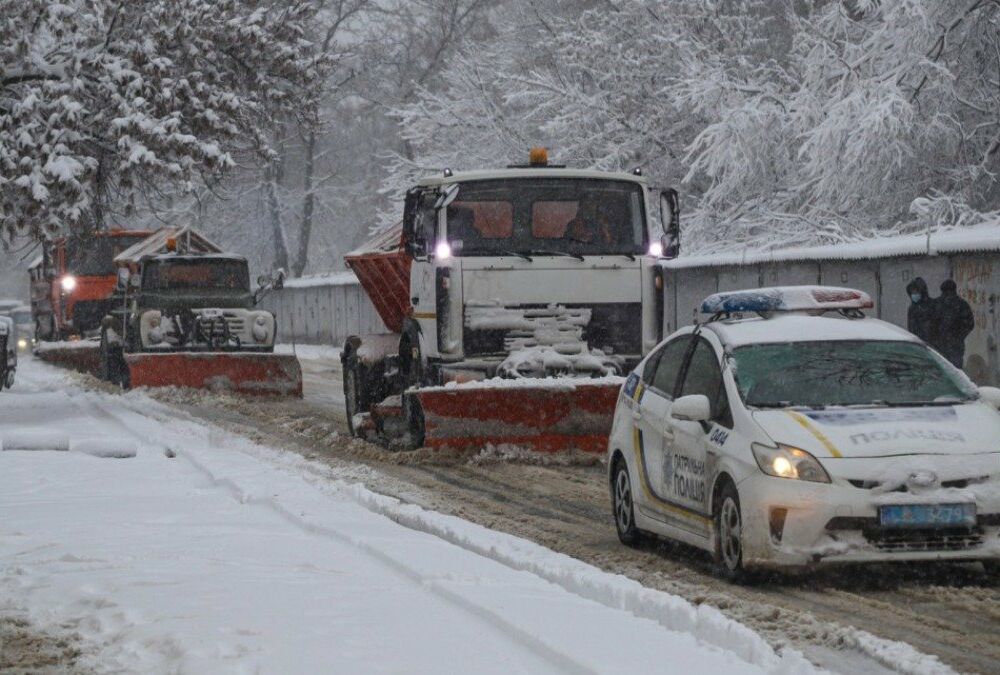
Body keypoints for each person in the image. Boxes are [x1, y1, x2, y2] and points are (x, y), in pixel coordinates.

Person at [931, 279, 975, 368]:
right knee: (955, 371)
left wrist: (935, 337)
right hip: (956, 345)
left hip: (939, 345)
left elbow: (930, 324)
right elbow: (969, 324)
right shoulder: (962, 304)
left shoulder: (936, 303)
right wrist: (959, 336)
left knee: (941, 370)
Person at [905, 277, 935, 344]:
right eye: (912, 292)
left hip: (931, 343)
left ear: (922, 292)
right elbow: (911, 326)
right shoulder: (912, 308)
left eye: (916, 292)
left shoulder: (932, 305)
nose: (914, 294)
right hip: (917, 342)